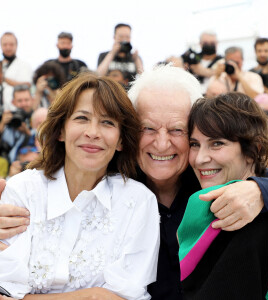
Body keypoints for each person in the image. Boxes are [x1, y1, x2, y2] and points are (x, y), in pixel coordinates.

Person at [1, 65, 268, 300]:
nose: (161, 143)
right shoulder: (110, 177)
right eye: (148, 128)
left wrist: (259, 189)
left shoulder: (214, 178)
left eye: (177, 130)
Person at [0, 72, 160, 299]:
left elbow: (126, 295)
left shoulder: (138, 202)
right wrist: (93, 294)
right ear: (61, 130)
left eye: (107, 122)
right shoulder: (22, 191)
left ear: (121, 140)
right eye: (82, 118)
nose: (92, 133)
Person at [178, 92, 268, 299]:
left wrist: (261, 192)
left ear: (253, 150)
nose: (200, 159)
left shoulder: (257, 218)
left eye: (217, 143)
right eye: (194, 144)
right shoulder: (201, 196)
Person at [0, 85, 34, 163]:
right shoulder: (9, 117)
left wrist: (27, 132)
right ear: (13, 102)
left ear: (32, 100)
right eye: (19, 101)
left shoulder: (38, 117)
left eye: (26, 100)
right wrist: (2, 123)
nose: (23, 104)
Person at [0, 32, 33, 111]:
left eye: (11, 44)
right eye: (5, 45)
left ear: (16, 45)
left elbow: (26, 85)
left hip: (18, 110)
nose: (8, 48)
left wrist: (4, 79)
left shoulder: (24, 65)